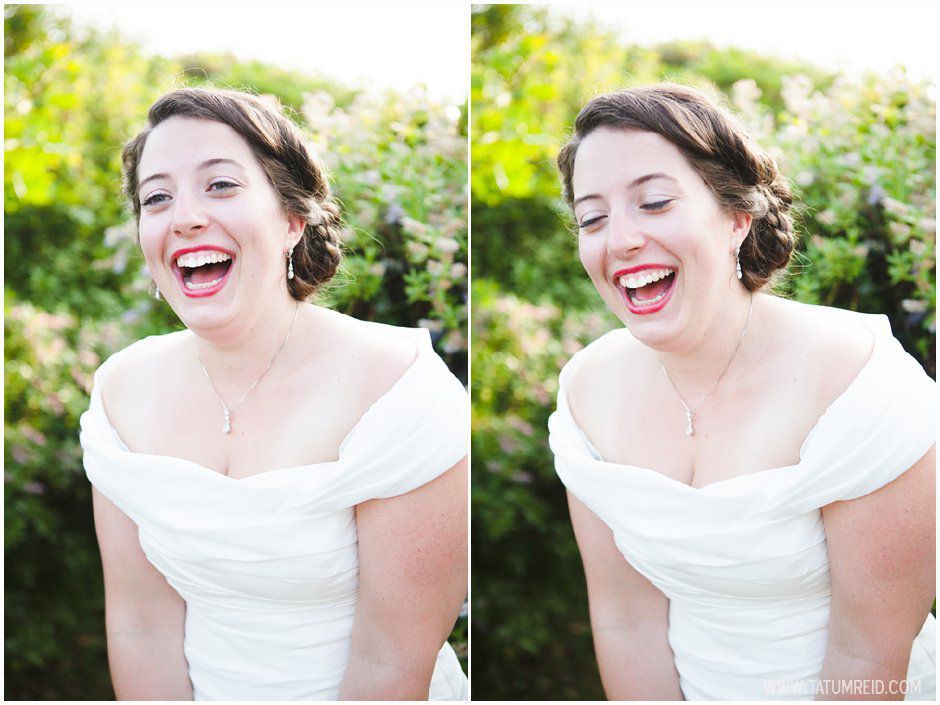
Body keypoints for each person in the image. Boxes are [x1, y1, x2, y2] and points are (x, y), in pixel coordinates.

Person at [79, 87, 468, 701]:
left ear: (292, 219)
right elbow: (140, 626)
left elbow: (391, 659)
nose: (184, 216)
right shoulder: (121, 392)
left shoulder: (396, 387)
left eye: (221, 185)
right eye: (157, 197)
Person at [549, 84, 935, 701]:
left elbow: (868, 652)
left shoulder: (857, 384)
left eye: (653, 202)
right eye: (591, 217)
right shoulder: (587, 392)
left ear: (737, 218)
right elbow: (626, 621)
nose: (618, 239)